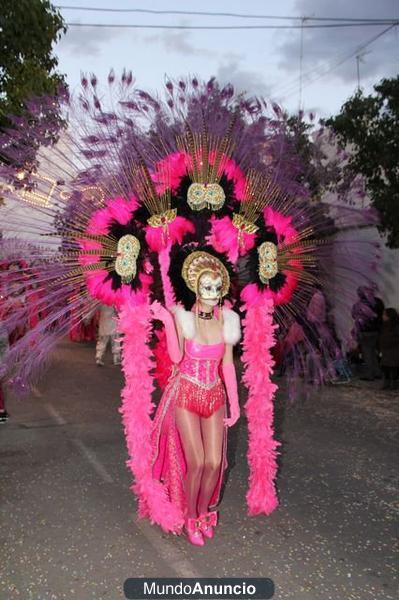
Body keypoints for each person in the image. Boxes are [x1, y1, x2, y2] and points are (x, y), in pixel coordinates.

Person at [149, 250, 240, 546]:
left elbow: (227, 364)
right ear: (196, 289)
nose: (212, 294)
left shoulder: (227, 321)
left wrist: (235, 406)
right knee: (197, 462)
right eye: (206, 288)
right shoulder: (185, 320)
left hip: (214, 394)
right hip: (186, 393)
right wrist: (166, 319)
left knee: (215, 463)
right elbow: (175, 358)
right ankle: (190, 518)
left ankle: (203, 513)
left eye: (216, 288)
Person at [379, 308, 399, 390]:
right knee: (385, 367)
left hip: (394, 350)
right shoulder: (384, 325)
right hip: (386, 350)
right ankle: (386, 383)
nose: (382, 316)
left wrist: (390, 341)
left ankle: (394, 383)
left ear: (389, 316)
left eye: (384, 314)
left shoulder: (396, 326)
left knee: (393, 368)